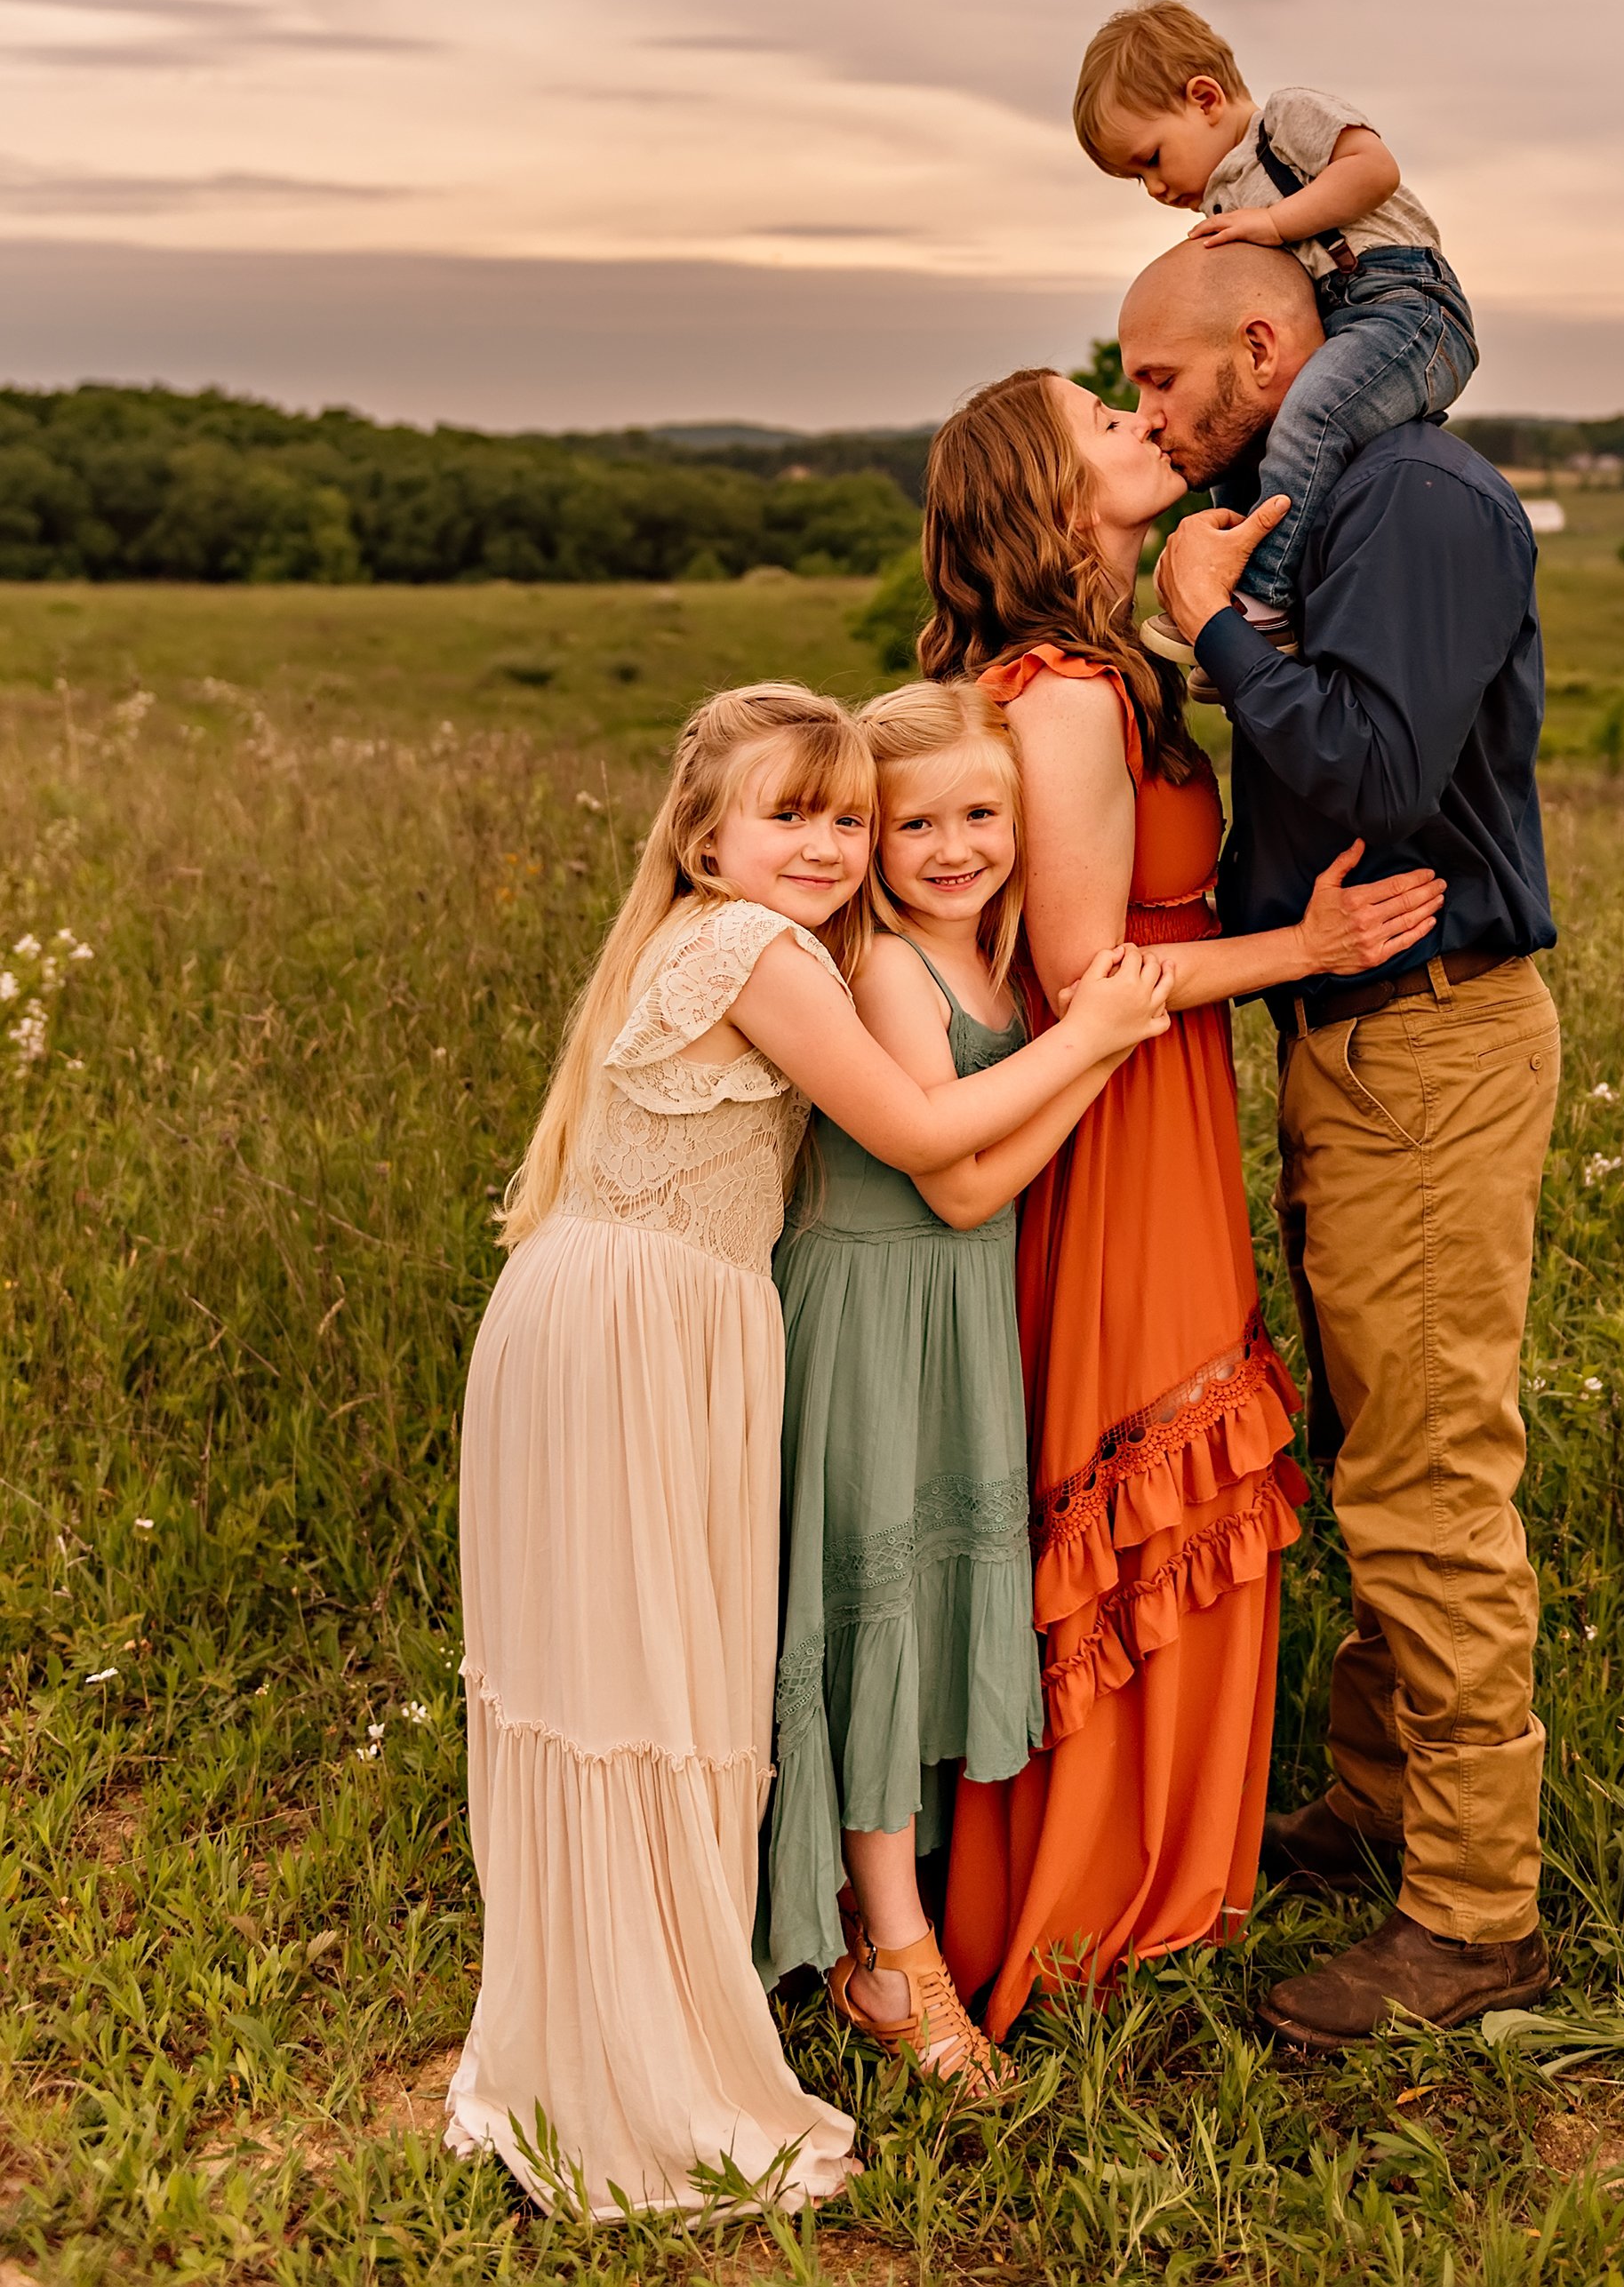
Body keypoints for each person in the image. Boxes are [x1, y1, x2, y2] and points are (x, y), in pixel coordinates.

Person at [446, 681, 1168, 2217]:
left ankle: (628, 1998)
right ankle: (636, 2057)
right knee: (641, 1687)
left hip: (635, 1313)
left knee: (640, 1678)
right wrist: (1102, 1030)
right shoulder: (753, 947)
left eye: (848, 816)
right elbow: (922, 1142)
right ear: (705, 837)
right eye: (791, 815)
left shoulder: (743, 940)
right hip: (636, 1332)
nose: (832, 846)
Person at [924, 371, 1448, 2040]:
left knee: (1155, 1443)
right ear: (1044, 494)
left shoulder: (1096, 667)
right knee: (1145, 1444)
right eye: (1100, 417)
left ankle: (1140, 1865)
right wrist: (1303, 950)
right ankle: (1101, 1888)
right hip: (1121, 1095)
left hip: (1151, 1089)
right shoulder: (1066, 694)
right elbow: (1091, 972)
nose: (1134, 417)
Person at [1125, 239, 1563, 2052]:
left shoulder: (1420, 497)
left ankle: (1471, 1916)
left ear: (1257, 341)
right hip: (1360, 1037)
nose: (1149, 413)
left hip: (1434, 1033)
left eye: (1156, 381)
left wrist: (1211, 630)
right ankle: (1379, 1796)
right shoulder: (1319, 500)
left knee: (1431, 1468)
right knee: (1378, 1429)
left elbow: (1381, 770)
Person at [768, 680, 1138, 2095]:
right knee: (874, 1608)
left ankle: (889, 1909)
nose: (950, 846)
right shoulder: (884, 970)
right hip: (871, 1309)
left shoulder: (994, 964)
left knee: (921, 1598)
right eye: (912, 822)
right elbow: (966, 1185)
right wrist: (1092, 1051)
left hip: (954, 1321)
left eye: (981, 814)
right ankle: (893, 1963)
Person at [1071, 0, 1476, 661]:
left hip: (1407, 306)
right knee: (1230, 444)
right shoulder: (1226, 196)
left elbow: (1375, 169)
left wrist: (1276, 222)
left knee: (1314, 410)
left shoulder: (1286, 122)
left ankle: (1262, 606)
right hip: (1341, 324)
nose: (1155, 189)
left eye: (1150, 159)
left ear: (1203, 98)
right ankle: (1222, 583)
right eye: (1134, 178)